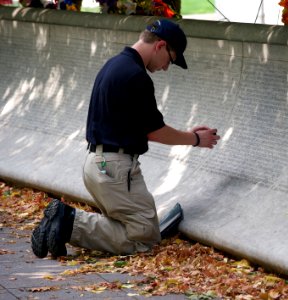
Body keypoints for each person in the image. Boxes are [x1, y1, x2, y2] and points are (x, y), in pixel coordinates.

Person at [31, 19, 220, 258]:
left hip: (96, 164)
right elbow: (155, 131)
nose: (165, 68)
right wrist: (194, 139)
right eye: (170, 60)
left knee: (132, 229)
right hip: (115, 170)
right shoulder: (135, 76)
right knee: (143, 238)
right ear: (160, 45)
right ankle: (67, 222)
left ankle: (60, 227)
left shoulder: (114, 65)